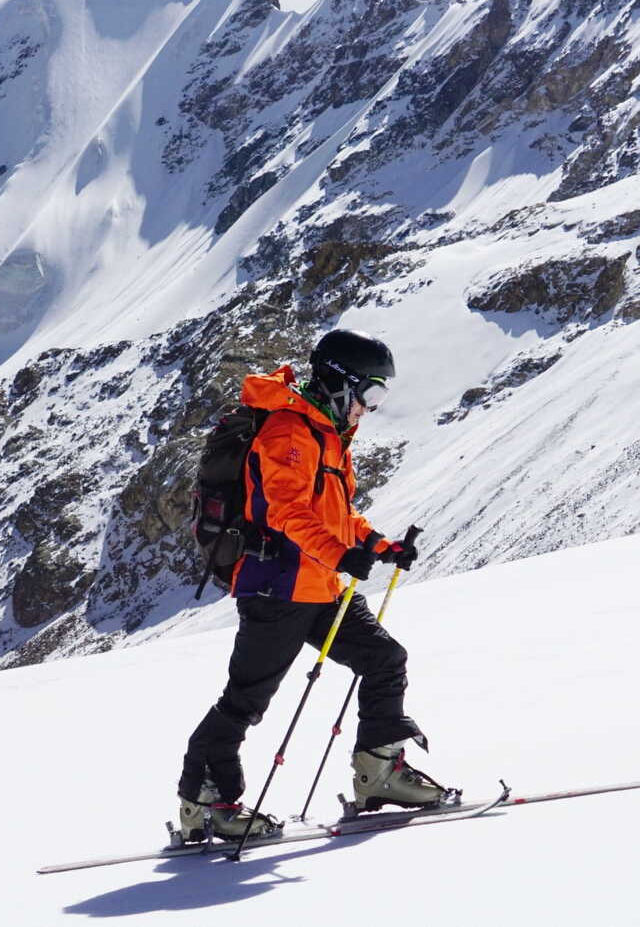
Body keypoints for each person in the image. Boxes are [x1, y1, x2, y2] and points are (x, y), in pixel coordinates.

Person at [176, 328, 448, 842]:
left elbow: (336, 515)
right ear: (341, 383)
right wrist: (342, 553)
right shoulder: (288, 432)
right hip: (277, 588)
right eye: (370, 393)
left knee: (385, 659)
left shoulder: (326, 436)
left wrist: (378, 545)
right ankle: (204, 804)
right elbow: (287, 512)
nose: (370, 408)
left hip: (319, 586)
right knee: (245, 701)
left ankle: (379, 773)